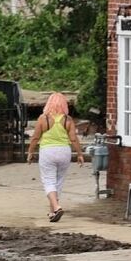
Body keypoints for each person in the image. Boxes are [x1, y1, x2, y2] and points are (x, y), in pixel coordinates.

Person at [26, 91, 85, 223]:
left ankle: (57, 207)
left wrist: (30, 152)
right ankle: (53, 212)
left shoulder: (43, 118)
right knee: (58, 181)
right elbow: (74, 139)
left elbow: (35, 137)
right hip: (64, 151)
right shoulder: (67, 120)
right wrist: (80, 154)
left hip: (48, 151)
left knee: (48, 181)